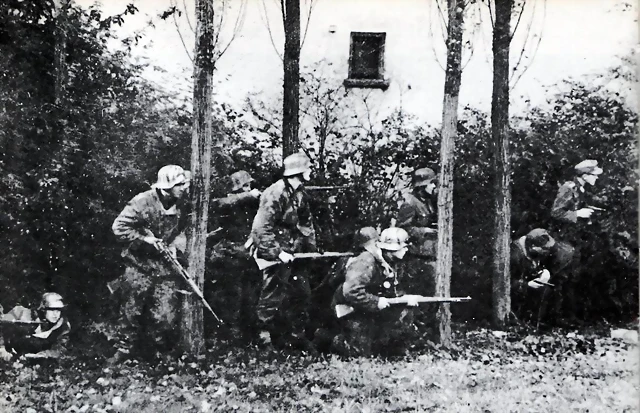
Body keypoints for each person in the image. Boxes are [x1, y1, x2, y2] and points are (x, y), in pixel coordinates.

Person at [110, 164, 191, 362]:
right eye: (179, 185)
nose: (183, 188)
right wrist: (145, 240)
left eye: (184, 184)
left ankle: (160, 351)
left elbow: (185, 229)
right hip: (139, 263)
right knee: (131, 309)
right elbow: (119, 228)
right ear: (167, 187)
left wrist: (176, 245)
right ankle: (124, 349)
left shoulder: (183, 203)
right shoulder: (142, 201)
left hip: (165, 265)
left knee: (165, 314)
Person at [248, 152, 317, 350]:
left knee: (302, 293)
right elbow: (261, 228)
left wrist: (310, 250)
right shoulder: (275, 193)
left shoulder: (299, 192)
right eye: (307, 169)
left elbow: (306, 223)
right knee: (273, 293)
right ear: (299, 172)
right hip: (276, 251)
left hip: (295, 251)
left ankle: (296, 336)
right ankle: (263, 338)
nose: (310, 172)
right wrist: (278, 253)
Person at [330, 227, 419, 358]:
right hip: (351, 309)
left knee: (405, 313)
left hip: (368, 308)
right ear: (391, 248)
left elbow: (390, 290)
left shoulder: (389, 262)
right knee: (359, 354)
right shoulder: (366, 261)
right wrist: (376, 301)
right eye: (403, 246)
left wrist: (404, 298)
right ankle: (333, 340)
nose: (406, 249)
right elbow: (351, 292)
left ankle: (391, 350)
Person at [207, 170, 261, 342]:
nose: (250, 188)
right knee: (232, 299)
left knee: (250, 297)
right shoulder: (229, 202)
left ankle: (248, 336)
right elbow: (217, 205)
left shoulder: (251, 203)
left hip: (247, 255)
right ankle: (230, 337)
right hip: (230, 255)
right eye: (246, 186)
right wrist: (247, 196)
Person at [310, 227, 379, 351]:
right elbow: (332, 285)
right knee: (357, 348)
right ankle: (325, 338)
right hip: (343, 302)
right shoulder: (355, 260)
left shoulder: (365, 259)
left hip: (355, 302)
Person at [510, 228, 576, 327]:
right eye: (544, 249)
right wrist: (526, 285)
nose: (547, 252)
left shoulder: (532, 252)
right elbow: (505, 283)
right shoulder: (515, 256)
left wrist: (543, 271)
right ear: (533, 247)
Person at [1, 293, 71, 359]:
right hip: (10, 356)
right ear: (43, 309)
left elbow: (60, 349)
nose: (55, 314)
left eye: (58, 310)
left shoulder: (62, 326)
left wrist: (40, 355)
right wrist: (2, 348)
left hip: (38, 361)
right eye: (51, 310)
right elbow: (2, 327)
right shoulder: (22, 313)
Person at [551, 159, 604, 240]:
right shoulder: (568, 188)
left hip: (575, 233)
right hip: (562, 236)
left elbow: (576, 204)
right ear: (585, 176)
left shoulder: (580, 188)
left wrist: (588, 208)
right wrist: (577, 214)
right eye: (594, 175)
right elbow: (555, 213)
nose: (597, 177)